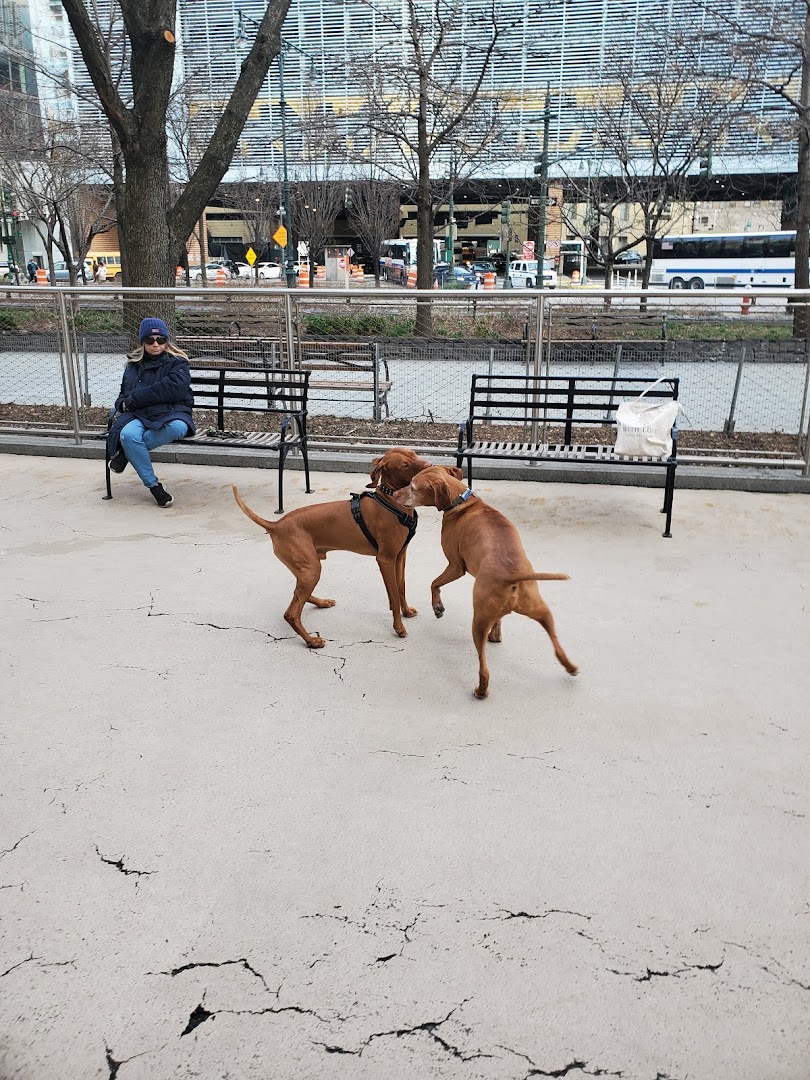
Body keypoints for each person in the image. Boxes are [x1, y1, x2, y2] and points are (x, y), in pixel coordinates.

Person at [106, 317, 195, 507]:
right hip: (140, 414)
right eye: (150, 340)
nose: (156, 344)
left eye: (161, 340)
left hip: (171, 411)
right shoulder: (133, 365)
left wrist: (135, 400)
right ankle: (154, 486)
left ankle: (125, 455)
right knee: (128, 435)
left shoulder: (178, 363)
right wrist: (121, 404)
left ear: (166, 341)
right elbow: (124, 394)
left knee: (178, 427)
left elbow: (173, 389)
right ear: (142, 341)